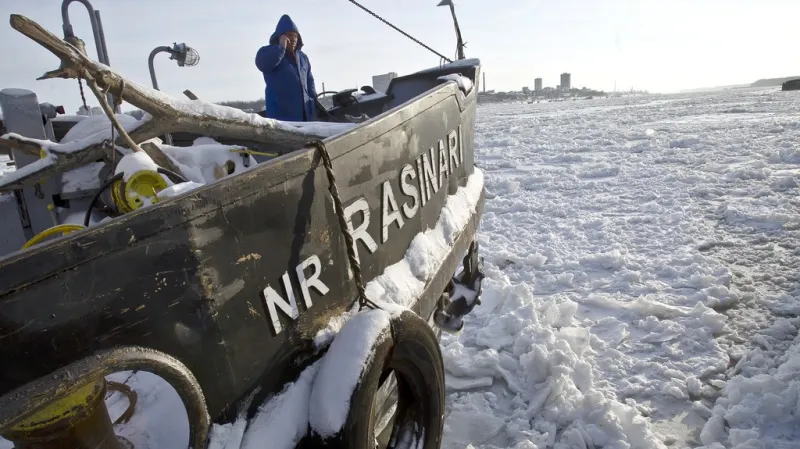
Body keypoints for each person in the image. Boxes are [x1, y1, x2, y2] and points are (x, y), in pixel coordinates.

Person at [255, 15, 318, 122]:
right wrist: (281, 47)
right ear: (280, 37)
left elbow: (309, 80)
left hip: (305, 118)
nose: (293, 39)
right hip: (281, 118)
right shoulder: (268, 52)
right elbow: (263, 64)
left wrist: (313, 101)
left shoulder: (303, 58)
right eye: (289, 35)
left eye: (295, 36)